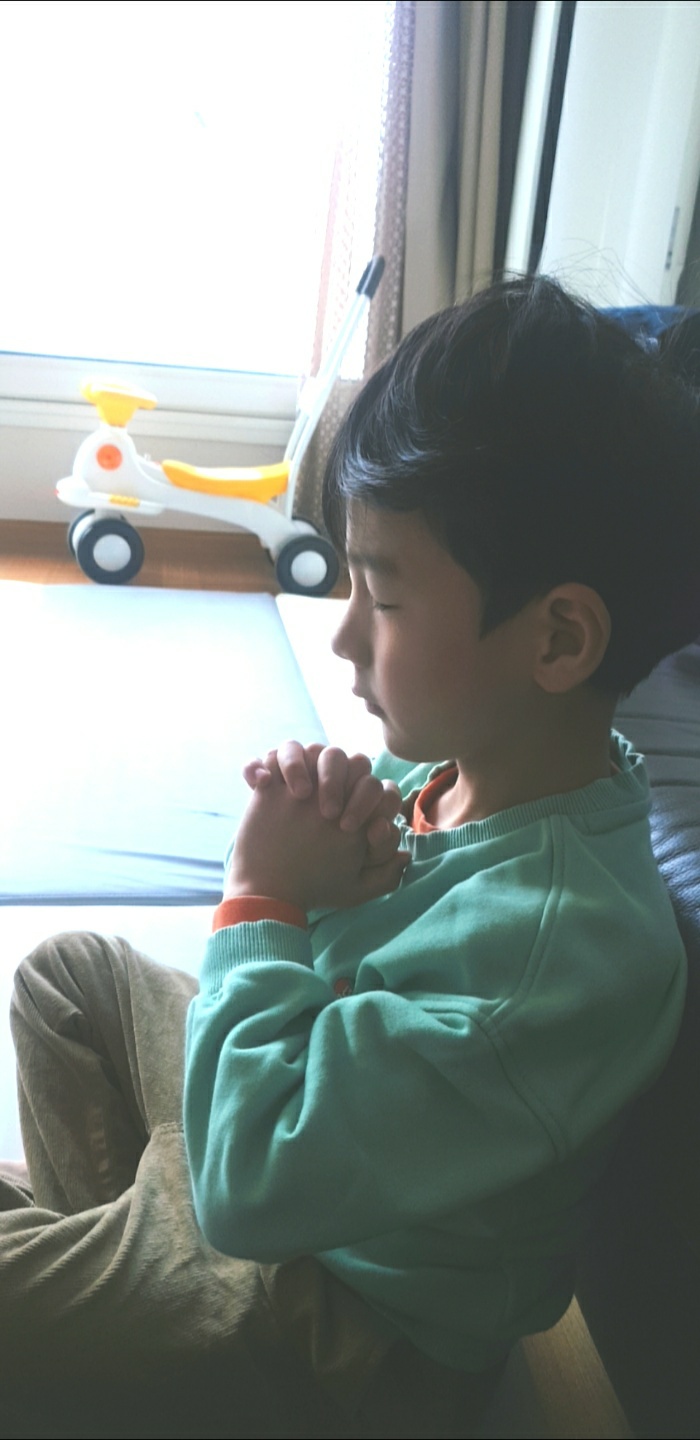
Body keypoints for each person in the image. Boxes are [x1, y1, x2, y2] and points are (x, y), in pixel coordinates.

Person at [2, 277, 699, 1439]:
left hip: (337, 1326)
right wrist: (320, 862)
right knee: (66, 976)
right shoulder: (473, 767)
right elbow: (326, 1006)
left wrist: (262, 897)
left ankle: (124, 1325)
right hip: (291, 1164)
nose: (339, 635)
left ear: (557, 638)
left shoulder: (557, 952)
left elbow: (250, 1183)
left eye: (382, 595)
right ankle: (120, 1306)